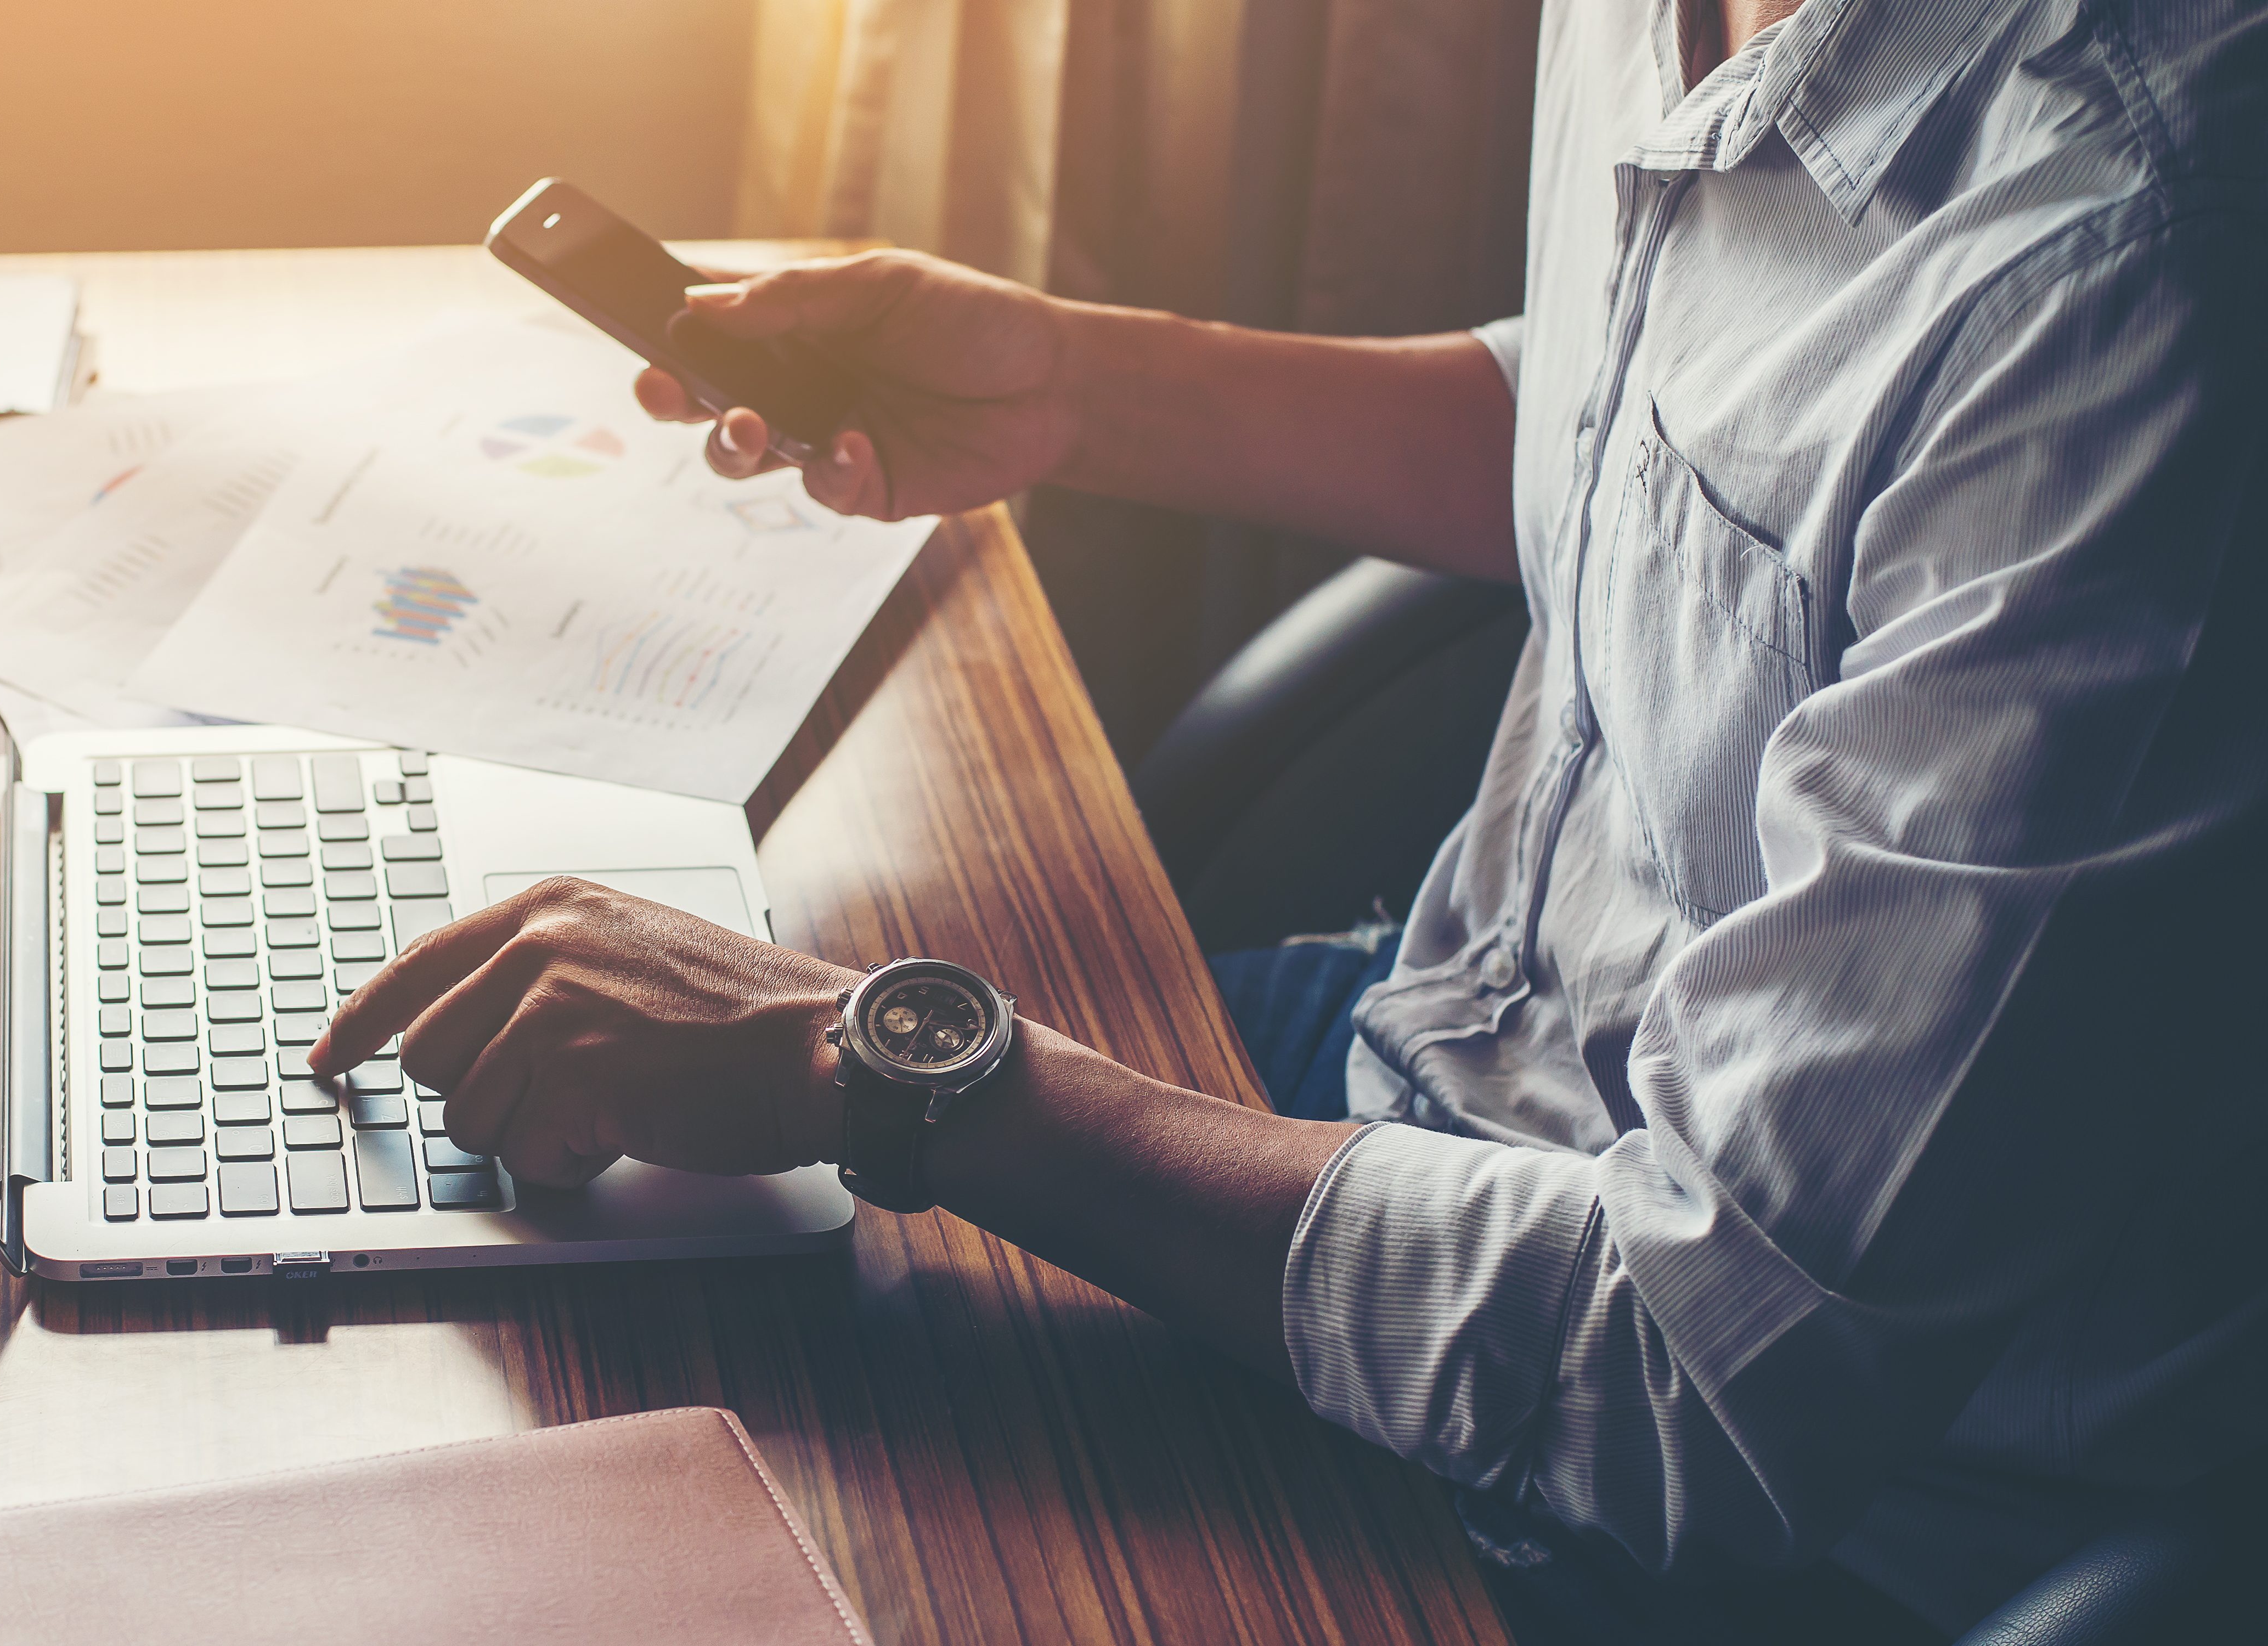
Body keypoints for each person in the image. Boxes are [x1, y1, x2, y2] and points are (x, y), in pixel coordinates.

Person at [311, 0, 2265, 1636]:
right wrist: (1071, 384)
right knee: (541, 1340)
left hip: (1757, 1514)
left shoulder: (2130, 268)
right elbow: (1642, 416)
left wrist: (870, 1065)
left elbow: (1697, 1390)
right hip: (1423, 1081)